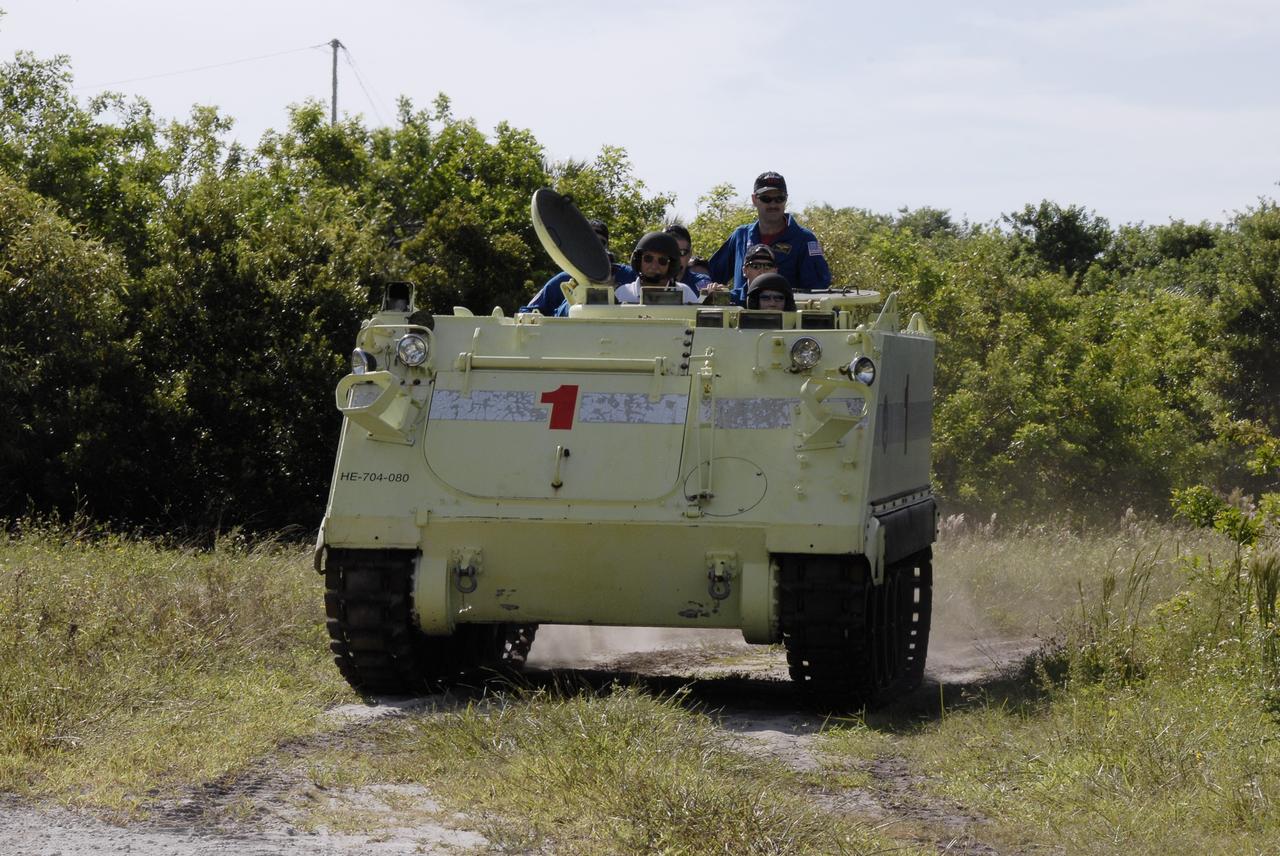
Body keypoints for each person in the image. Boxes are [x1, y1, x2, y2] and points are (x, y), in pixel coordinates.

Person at [707, 171, 831, 304]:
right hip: (741, 320)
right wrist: (711, 289)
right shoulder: (741, 235)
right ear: (754, 199)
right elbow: (710, 274)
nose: (773, 204)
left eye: (779, 198)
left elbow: (817, 289)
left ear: (786, 199)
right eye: (766, 198)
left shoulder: (804, 239)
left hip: (786, 320)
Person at [518, 219, 634, 316]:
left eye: (600, 243)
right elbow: (528, 311)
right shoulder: (566, 278)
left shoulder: (627, 275)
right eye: (588, 242)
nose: (594, 249)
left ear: (606, 247)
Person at [615, 232, 700, 304]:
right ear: (638, 260)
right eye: (648, 258)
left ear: (671, 266)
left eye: (662, 261)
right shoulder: (622, 293)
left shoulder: (685, 294)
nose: (654, 266)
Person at [663, 224, 712, 293]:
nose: (676, 258)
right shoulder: (649, 279)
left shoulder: (701, 282)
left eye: (682, 252)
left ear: (690, 254)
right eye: (670, 252)